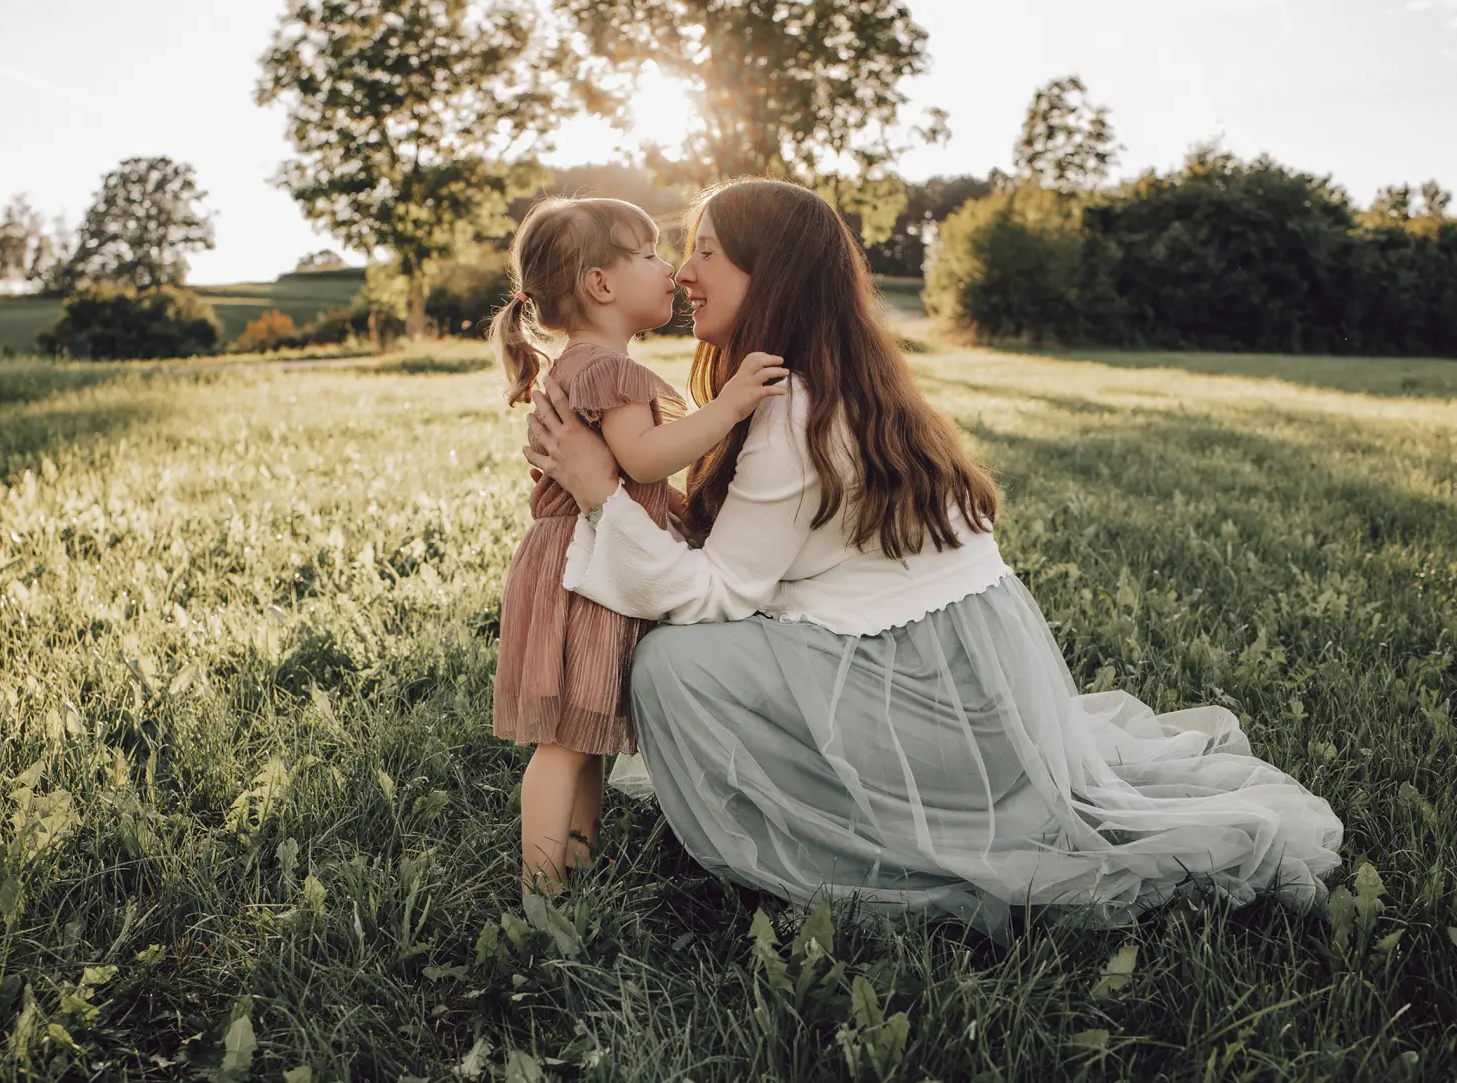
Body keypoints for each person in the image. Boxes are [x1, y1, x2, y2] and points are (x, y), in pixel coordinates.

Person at [521, 178, 1344, 942]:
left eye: (705, 250)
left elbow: (716, 594)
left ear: (766, 274)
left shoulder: (793, 411)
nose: (685, 271)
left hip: (933, 721)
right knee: (699, 652)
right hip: (969, 698)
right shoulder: (838, 378)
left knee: (671, 664)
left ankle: (838, 830)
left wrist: (602, 493)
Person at [489, 195, 788, 894]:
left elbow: (635, 481)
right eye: (650, 255)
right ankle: (541, 887)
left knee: (581, 733)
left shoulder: (583, 365)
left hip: (577, 556)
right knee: (564, 744)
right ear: (601, 285)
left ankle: (581, 863)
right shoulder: (609, 371)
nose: (671, 272)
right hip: (585, 567)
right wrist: (732, 405)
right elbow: (647, 459)